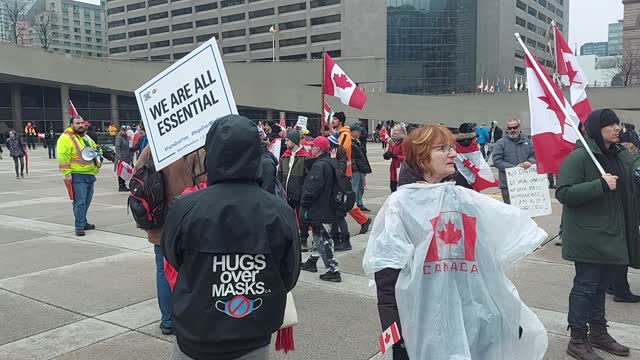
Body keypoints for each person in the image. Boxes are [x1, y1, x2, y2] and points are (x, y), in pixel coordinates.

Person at [364, 125, 548, 360]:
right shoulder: (400, 205)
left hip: (475, 320)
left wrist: (503, 311)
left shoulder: (463, 198)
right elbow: (386, 276)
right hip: (424, 323)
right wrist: (395, 339)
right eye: (442, 148)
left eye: (451, 147)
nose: (453, 153)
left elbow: (487, 264)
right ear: (421, 156)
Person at [161, 114, 300, 360]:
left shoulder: (185, 206)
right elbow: (288, 274)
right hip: (251, 333)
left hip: (197, 331)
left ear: (211, 153)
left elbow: (172, 257)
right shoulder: (279, 211)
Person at [556, 109, 639, 360]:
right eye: (610, 124)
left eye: (618, 123)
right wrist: (599, 185)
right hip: (589, 236)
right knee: (586, 287)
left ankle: (599, 332)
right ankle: (578, 338)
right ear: (596, 129)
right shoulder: (580, 158)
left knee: (602, 286)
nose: (617, 127)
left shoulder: (621, 155)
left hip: (614, 234)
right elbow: (564, 193)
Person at [135, 145, 206, 337]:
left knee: (162, 271)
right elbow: (204, 183)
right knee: (190, 270)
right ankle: (186, 318)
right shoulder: (193, 147)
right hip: (186, 219)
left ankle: (167, 320)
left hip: (158, 218)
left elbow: (136, 173)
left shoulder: (153, 147)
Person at [300, 136, 341, 282]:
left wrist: (304, 202)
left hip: (321, 207)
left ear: (318, 148)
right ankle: (312, 260)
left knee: (324, 238)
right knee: (319, 236)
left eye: (312, 146)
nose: (310, 148)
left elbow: (313, 187)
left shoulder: (319, 165)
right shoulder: (330, 162)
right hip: (329, 206)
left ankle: (333, 270)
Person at [57, 116, 101, 236]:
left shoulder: (85, 137)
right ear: (71, 124)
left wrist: (99, 153)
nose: (81, 125)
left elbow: (95, 149)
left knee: (87, 201)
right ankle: (79, 226)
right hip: (77, 175)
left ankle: (83, 221)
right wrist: (67, 173)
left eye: (82, 123)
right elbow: (62, 156)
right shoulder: (66, 138)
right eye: (77, 123)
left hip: (90, 174)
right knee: (80, 202)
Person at [331, 112, 372, 234]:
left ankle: (362, 221)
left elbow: (341, 151)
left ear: (341, 121)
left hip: (343, 173)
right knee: (343, 200)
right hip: (340, 171)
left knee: (342, 200)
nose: (332, 121)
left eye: (335, 119)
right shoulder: (338, 133)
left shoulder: (344, 135)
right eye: (332, 118)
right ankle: (363, 220)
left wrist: (329, 148)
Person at [277, 131, 312, 250]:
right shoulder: (284, 156)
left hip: (299, 193)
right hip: (286, 193)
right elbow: (280, 174)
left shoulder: (305, 157)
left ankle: (303, 240)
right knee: (285, 217)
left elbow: (309, 177)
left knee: (302, 218)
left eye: (288, 140)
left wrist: (304, 190)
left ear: (295, 141)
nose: (285, 142)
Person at [492, 118, 536, 204]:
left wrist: (530, 162)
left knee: (527, 211)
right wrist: (514, 168)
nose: (512, 130)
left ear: (519, 128)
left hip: (526, 183)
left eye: (515, 127)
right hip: (507, 185)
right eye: (509, 128)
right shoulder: (500, 143)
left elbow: (535, 156)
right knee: (510, 211)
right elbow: (497, 161)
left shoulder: (528, 142)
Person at [328, 132, 352, 252]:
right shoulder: (332, 156)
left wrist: (332, 159)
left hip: (339, 190)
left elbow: (338, 173)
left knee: (339, 217)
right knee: (332, 217)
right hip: (333, 190)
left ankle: (346, 241)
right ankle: (336, 240)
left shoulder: (340, 157)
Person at [351, 126, 372, 212]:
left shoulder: (357, 142)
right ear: (352, 132)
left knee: (360, 188)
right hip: (356, 169)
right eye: (358, 131)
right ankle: (354, 204)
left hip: (360, 168)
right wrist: (355, 168)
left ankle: (359, 203)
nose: (360, 133)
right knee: (355, 187)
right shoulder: (351, 143)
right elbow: (352, 158)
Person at [384, 124, 407, 193]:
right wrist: (387, 156)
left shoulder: (404, 142)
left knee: (400, 190)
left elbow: (406, 157)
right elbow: (390, 153)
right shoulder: (391, 141)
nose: (394, 132)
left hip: (402, 168)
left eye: (396, 130)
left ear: (401, 132)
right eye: (393, 130)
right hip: (394, 168)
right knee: (393, 188)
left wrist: (394, 156)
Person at [115, 126, 133, 191]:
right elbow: (118, 148)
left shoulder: (125, 138)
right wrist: (119, 158)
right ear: (121, 130)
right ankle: (121, 186)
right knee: (121, 172)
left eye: (125, 130)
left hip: (126, 158)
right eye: (123, 130)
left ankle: (124, 185)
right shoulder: (119, 138)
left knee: (125, 172)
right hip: (122, 158)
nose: (124, 131)